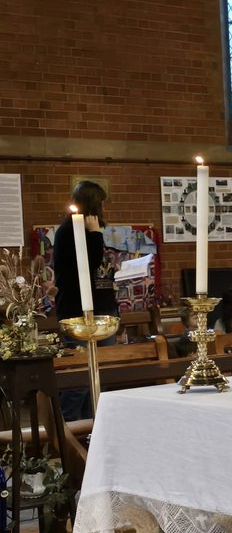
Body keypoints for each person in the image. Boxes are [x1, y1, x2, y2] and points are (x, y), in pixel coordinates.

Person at [54, 180, 119, 420]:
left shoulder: (92, 232)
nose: (104, 208)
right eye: (101, 203)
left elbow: (99, 270)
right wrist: (94, 236)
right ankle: (71, 434)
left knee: (101, 376)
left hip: (103, 308)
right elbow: (86, 264)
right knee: (80, 378)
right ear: (93, 204)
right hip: (78, 311)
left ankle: (96, 426)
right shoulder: (69, 231)